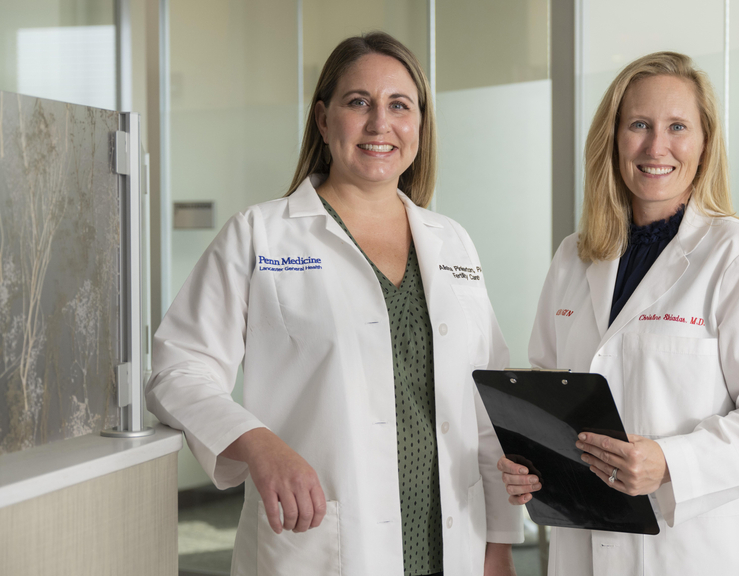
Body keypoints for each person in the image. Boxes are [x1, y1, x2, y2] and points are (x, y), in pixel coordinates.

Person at [147, 32, 521, 576]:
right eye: (358, 102)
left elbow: (487, 406)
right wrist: (257, 443)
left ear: (419, 125)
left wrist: (500, 545)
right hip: (323, 547)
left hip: (452, 543)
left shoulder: (452, 242)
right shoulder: (260, 236)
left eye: (399, 105)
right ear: (323, 120)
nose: (379, 124)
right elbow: (177, 370)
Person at [498, 51, 739, 575]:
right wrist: (528, 463)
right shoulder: (574, 257)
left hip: (690, 550)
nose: (655, 146)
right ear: (613, 138)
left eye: (677, 127)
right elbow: (546, 394)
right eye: (639, 125)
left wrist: (671, 463)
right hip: (584, 544)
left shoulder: (738, 256)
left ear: (704, 143)